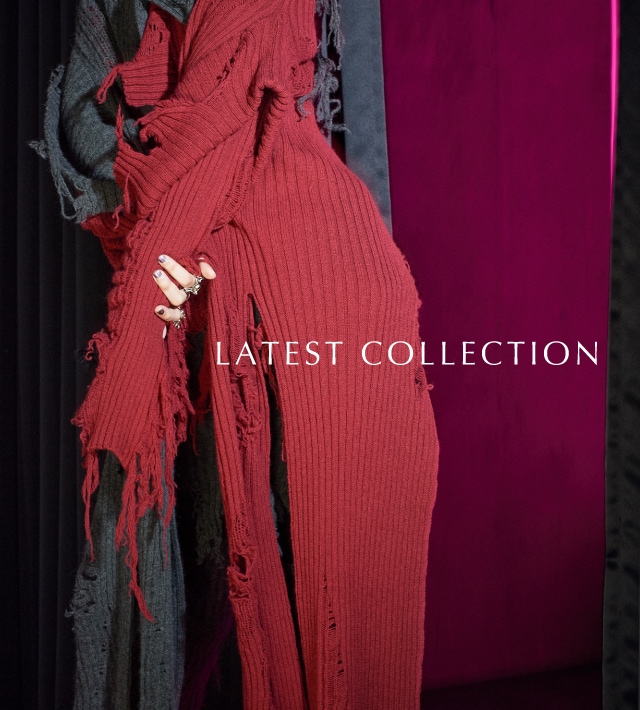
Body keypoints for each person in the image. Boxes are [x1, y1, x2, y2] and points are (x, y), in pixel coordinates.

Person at [36, 0, 439, 707]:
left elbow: (246, 109)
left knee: (323, 600)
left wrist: (176, 251)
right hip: (197, 287)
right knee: (188, 594)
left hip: (317, 289)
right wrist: (166, 245)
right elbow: (88, 118)